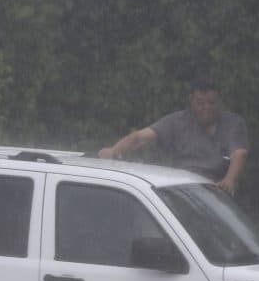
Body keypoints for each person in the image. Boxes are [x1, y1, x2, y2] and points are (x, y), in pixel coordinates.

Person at [99, 79, 249, 195]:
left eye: (212, 103)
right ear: (191, 100)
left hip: (216, 191)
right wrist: (114, 151)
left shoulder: (233, 124)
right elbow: (140, 138)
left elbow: (239, 154)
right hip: (183, 188)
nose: (206, 108)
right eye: (200, 103)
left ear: (220, 101)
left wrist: (230, 179)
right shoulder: (177, 121)